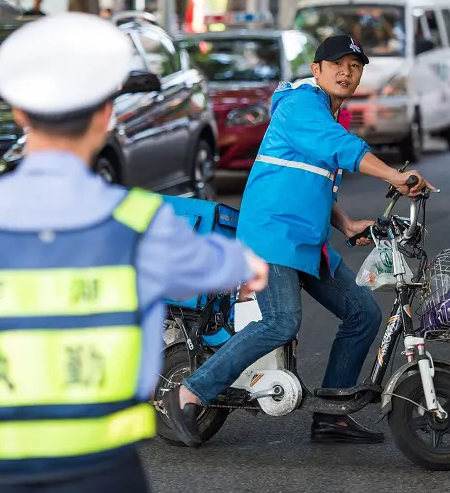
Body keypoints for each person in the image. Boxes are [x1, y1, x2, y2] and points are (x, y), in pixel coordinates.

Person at [0, 12, 268, 493]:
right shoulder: (139, 224)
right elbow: (219, 264)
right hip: (101, 473)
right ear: (106, 116)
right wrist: (248, 265)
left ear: (19, 115)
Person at [164, 34, 434, 446]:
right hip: (271, 234)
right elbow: (338, 149)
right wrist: (396, 175)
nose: (347, 72)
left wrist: (344, 224)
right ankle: (189, 393)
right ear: (316, 69)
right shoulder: (299, 106)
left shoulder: (329, 114)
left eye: (355, 66)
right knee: (281, 320)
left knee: (363, 314)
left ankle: (331, 419)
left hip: (307, 240)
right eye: (337, 64)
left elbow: (313, 181)